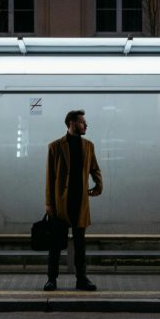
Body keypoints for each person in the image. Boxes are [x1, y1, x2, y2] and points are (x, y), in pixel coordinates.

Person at [44, 109, 102, 291]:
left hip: (80, 202)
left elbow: (94, 168)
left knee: (80, 244)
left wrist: (98, 185)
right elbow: (50, 176)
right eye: (82, 122)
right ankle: (51, 279)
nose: (86, 125)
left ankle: (81, 279)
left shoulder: (88, 146)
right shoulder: (55, 147)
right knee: (55, 244)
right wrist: (48, 203)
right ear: (72, 123)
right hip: (60, 203)